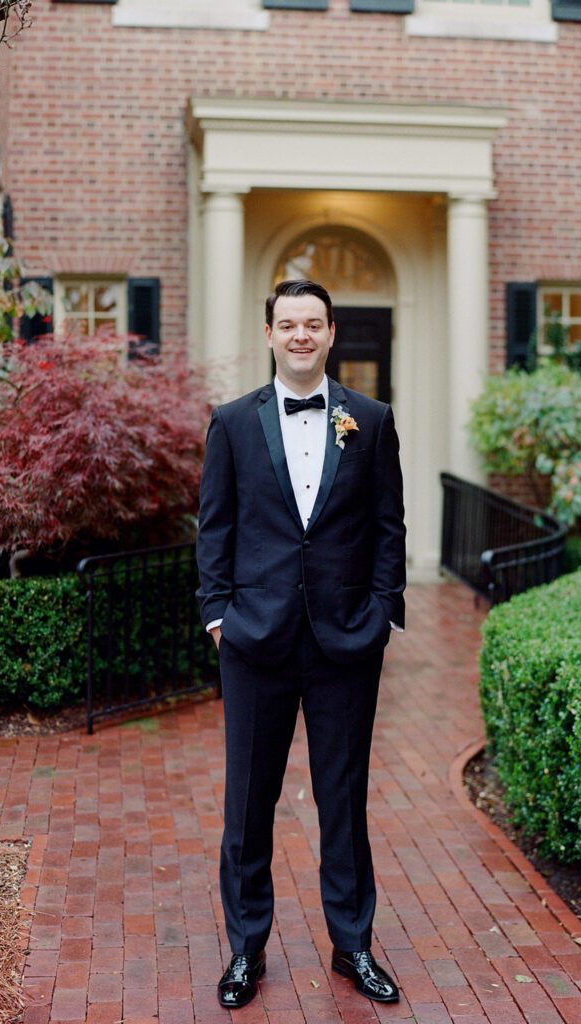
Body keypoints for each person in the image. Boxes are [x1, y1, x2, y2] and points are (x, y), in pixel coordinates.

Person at [196, 278, 406, 1009]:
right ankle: (245, 950)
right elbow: (214, 528)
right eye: (288, 324)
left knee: (342, 800)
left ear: (330, 332)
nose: (300, 335)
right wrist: (217, 614)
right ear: (269, 334)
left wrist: (384, 612)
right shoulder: (231, 422)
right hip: (255, 641)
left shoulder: (371, 421)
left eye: (312, 323)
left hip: (346, 643)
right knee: (248, 804)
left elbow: (388, 527)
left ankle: (353, 945)